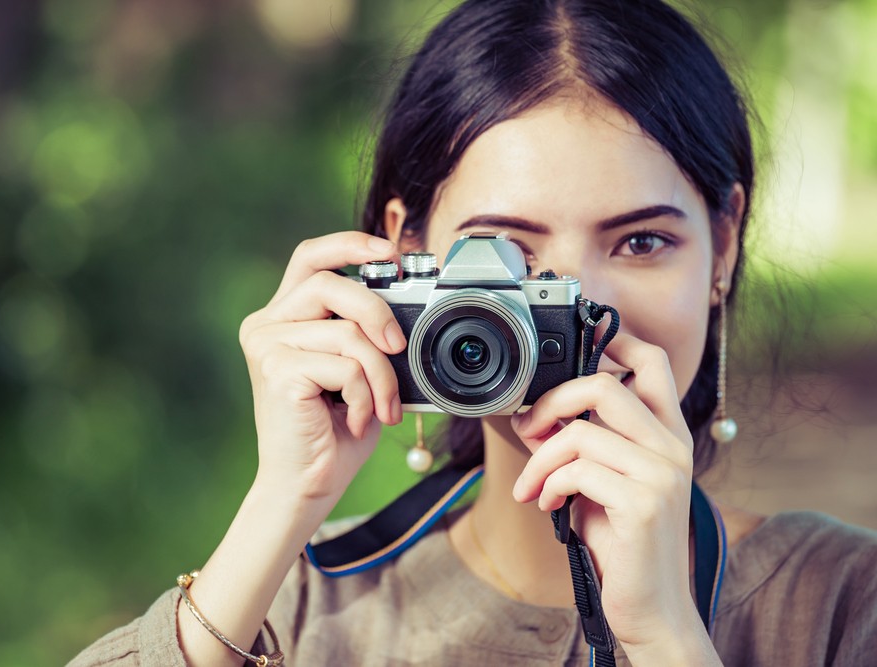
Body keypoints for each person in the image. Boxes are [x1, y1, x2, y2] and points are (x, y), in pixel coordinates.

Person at [69, 0, 877, 665]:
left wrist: (664, 632)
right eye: (509, 251)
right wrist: (284, 499)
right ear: (408, 252)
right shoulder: (297, 598)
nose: (578, 308)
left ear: (722, 247)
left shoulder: (843, 600)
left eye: (639, 242)